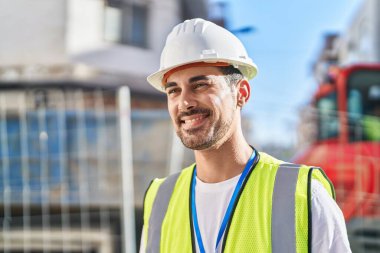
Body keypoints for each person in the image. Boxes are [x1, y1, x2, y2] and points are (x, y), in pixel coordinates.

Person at [140, 18, 351, 253]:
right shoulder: (160, 200)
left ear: (241, 93)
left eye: (200, 85)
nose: (185, 102)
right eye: (174, 91)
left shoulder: (302, 194)